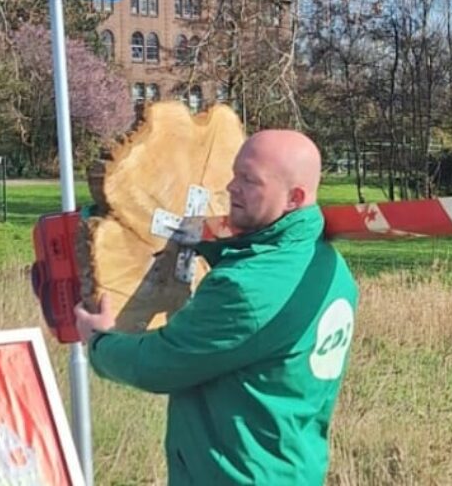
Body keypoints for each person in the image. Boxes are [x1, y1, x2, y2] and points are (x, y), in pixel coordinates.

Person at [75, 129, 359, 485]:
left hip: (236, 473)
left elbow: (160, 364)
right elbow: (259, 259)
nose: (231, 187)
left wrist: (99, 341)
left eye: (249, 180)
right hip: (292, 465)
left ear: (294, 197)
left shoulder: (245, 289)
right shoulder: (330, 268)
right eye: (234, 173)